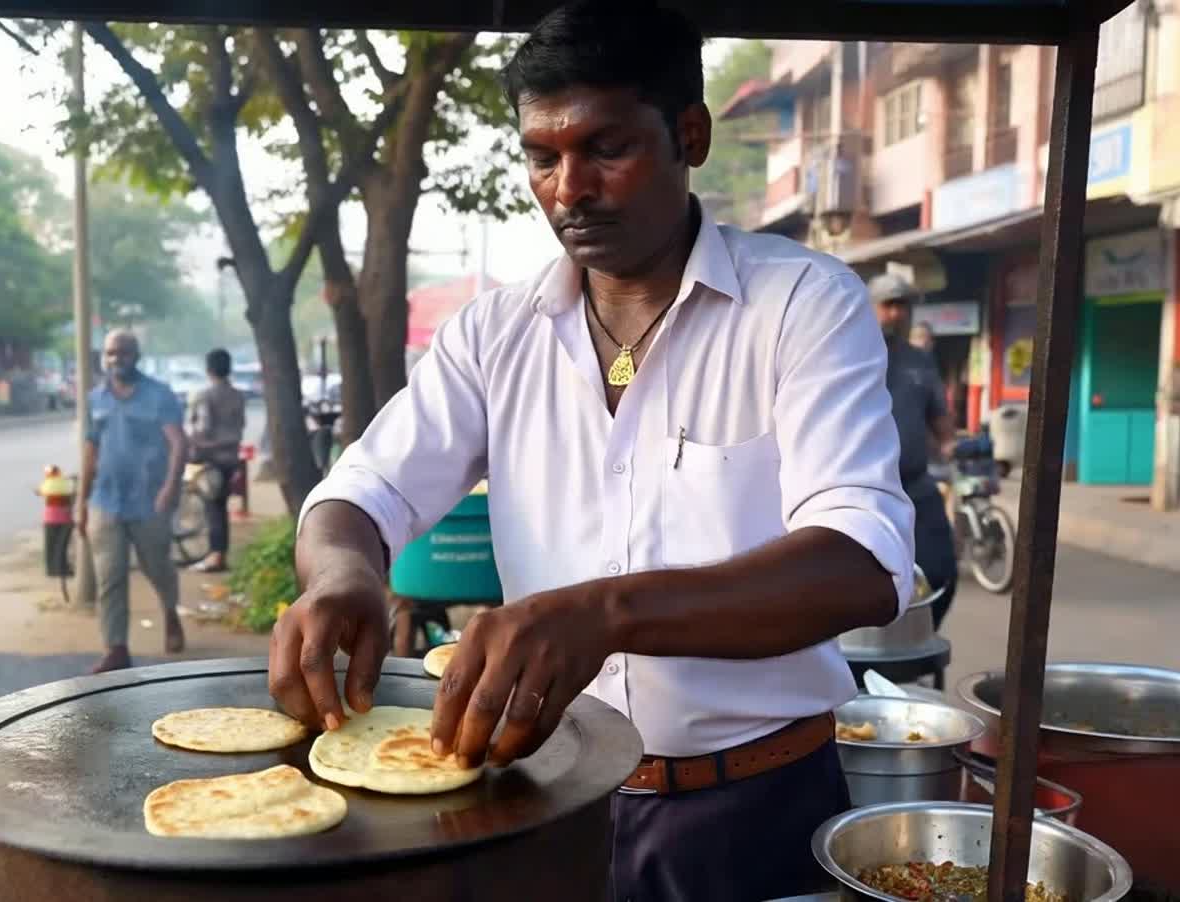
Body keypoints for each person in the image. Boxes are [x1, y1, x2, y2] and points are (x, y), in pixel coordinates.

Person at [271, 4, 915, 899]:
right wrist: (340, 574)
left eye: (605, 149)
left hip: (755, 811)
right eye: (542, 156)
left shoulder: (803, 304)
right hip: (541, 802)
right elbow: (363, 491)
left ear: (689, 134)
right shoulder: (494, 334)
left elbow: (861, 564)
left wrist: (605, 612)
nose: (569, 187)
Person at [78, 329, 188, 673]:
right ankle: (116, 647)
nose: (116, 359)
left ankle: (170, 612)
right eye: (111, 353)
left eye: (123, 353)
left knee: (158, 567)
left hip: (148, 501)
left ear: (136, 356)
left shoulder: (159, 396)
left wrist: (169, 487)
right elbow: (90, 450)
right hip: (105, 501)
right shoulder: (96, 399)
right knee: (109, 576)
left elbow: (178, 443)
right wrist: (81, 502)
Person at [869, 273, 960, 629]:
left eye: (902, 306)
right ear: (869, 308)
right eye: (888, 305)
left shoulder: (920, 361)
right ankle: (864, 663)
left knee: (941, 573)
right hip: (863, 489)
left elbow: (938, 414)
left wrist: (952, 444)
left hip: (916, 486)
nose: (896, 313)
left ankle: (917, 637)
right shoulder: (845, 353)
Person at [187, 348, 246, 573]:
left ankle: (215, 556)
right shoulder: (238, 395)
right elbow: (240, 425)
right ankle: (220, 553)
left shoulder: (206, 396)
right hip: (231, 457)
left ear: (209, 369)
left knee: (213, 507)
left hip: (211, 458)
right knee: (221, 506)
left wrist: (192, 441)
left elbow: (203, 428)